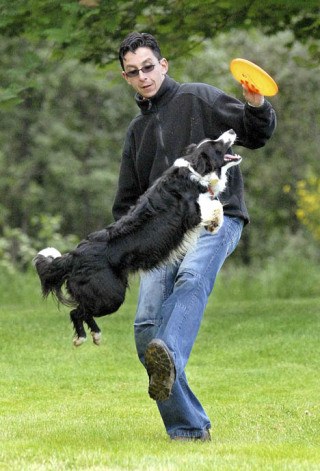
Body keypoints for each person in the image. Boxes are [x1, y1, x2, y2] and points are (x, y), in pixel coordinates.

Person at [113, 32, 276, 441]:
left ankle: (170, 352)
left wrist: (255, 104)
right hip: (161, 237)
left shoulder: (199, 98)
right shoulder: (137, 132)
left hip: (216, 219)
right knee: (145, 327)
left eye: (149, 67)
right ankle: (187, 427)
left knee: (191, 279)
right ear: (126, 77)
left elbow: (254, 134)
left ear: (163, 65)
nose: (143, 76)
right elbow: (127, 202)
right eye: (133, 72)